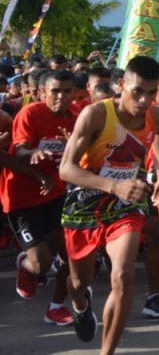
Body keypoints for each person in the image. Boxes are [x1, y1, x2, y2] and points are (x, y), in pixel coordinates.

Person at [59, 56, 159, 354]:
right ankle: (81, 305)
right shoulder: (95, 114)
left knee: (122, 274)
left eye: (151, 92)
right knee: (78, 282)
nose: (145, 100)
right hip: (85, 202)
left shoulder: (158, 115)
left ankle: (106, 352)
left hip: (127, 203)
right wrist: (113, 184)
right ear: (121, 85)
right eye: (138, 91)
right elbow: (66, 170)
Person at [2, 70, 77, 326]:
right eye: (55, 91)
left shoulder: (77, 118)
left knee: (72, 256)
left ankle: (56, 306)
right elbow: (20, 150)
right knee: (42, 261)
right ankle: (26, 265)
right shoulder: (30, 113)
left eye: (67, 91)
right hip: (22, 199)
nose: (61, 97)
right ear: (42, 92)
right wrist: (34, 154)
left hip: (56, 194)